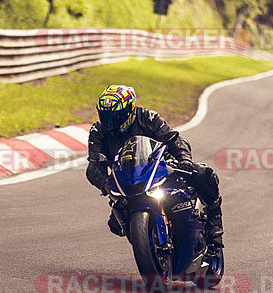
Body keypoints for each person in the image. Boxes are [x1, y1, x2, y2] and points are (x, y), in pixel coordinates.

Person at [86, 84, 224, 249]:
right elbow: (93, 166)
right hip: (127, 180)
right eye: (105, 116)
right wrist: (108, 186)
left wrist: (184, 159)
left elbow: (174, 139)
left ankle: (214, 219)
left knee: (202, 173)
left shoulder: (147, 117)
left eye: (116, 116)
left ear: (130, 110)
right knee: (116, 225)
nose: (110, 123)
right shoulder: (98, 131)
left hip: (159, 167)